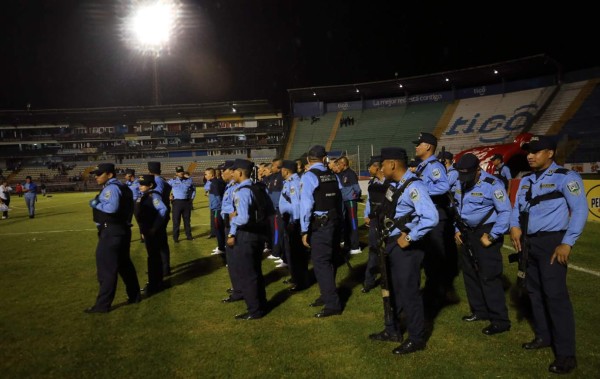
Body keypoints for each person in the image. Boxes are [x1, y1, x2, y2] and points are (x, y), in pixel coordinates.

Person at [509, 135, 587, 375]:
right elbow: (517, 209)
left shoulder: (566, 178)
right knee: (534, 292)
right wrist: (514, 226)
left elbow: (580, 210)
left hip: (553, 242)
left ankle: (566, 355)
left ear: (550, 153)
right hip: (529, 243)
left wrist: (567, 243)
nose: (530, 155)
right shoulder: (526, 180)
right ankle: (543, 336)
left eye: (536, 151)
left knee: (555, 297)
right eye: (528, 152)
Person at [368, 147, 438, 355]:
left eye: (383, 164)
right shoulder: (396, 184)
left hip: (406, 248)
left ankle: (416, 338)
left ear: (392, 164)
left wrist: (409, 237)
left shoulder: (414, 186)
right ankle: (392, 330)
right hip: (390, 243)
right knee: (392, 288)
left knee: (409, 292)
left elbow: (431, 217)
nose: (380, 168)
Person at [454, 153, 511, 335]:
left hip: (486, 231)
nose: (465, 179)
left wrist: (493, 236)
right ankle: (479, 311)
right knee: (470, 273)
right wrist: (456, 229)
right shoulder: (460, 182)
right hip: (466, 232)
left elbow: (505, 212)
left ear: (478, 169)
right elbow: (457, 207)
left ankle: (500, 320)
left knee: (489, 275)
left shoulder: (493, 185)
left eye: (468, 175)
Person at [85, 163, 141, 313]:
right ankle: (134, 295)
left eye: (99, 174)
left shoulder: (112, 188)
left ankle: (102, 305)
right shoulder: (123, 187)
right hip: (121, 230)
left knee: (107, 269)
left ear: (109, 175)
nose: (96, 177)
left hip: (111, 232)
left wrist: (95, 203)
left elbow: (111, 208)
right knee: (125, 265)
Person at [413, 132, 457, 312]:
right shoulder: (423, 166)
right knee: (429, 256)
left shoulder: (434, 165)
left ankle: (438, 294)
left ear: (428, 147)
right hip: (428, 214)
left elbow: (443, 185)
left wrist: (423, 190)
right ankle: (434, 290)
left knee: (435, 256)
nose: (416, 147)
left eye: (419, 144)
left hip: (436, 215)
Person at [300, 145, 343, 318]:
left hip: (320, 225)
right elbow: (339, 199)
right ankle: (327, 295)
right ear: (324, 158)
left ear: (309, 160)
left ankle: (332, 303)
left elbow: (306, 204)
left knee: (321, 263)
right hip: (334, 222)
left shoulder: (309, 176)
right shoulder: (332, 175)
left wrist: (304, 230)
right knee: (329, 261)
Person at [227, 159, 267, 319]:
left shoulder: (242, 191)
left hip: (246, 235)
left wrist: (232, 222)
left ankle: (254, 311)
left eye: (233, 171)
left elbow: (242, 218)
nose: (231, 173)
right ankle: (261, 304)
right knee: (256, 272)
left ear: (240, 172)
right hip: (258, 234)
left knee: (247, 274)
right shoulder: (258, 187)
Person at [135, 174, 168, 295]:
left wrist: (154, 227)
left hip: (152, 232)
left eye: (143, 184)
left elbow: (163, 210)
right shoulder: (144, 196)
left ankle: (155, 283)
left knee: (153, 257)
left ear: (151, 185)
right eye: (140, 184)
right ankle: (155, 281)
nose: (140, 186)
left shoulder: (153, 196)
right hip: (148, 231)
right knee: (153, 256)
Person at [279, 159, 308, 291]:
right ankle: (296, 277)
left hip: (293, 222)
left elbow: (296, 204)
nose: (280, 171)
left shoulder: (293, 183)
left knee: (296, 253)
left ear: (286, 170)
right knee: (292, 252)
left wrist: (294, 221)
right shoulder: (290, 182)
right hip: (290, 221)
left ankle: (300, 281)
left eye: (282, 169)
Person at [362, 155, 386, 293]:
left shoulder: (390, 183)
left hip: (388, 221)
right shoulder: (372, 183)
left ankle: (389, 279)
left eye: (370, 166)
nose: (368, 169)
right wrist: (366, 215)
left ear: (377, 167)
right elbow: (370, 201)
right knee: (373, 250)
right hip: (375, 221)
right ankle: (369, 281)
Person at [220, 160, 243, 302]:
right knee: (232, 259)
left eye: (224, 171)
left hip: (233, 226)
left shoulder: (237, 187)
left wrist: (231, 232)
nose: (222, 173)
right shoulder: (230, 186)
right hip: (229, 224)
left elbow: (236, 211)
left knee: (235, 260)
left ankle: (239, 290)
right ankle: (238, 287)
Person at [148, 161, 172, 276]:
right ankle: (163, 267)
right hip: (163, 211)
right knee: (161, 242)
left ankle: (163, 268)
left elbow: (157, 197)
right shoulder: (162, 180)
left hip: (159, 213)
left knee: (159, 242)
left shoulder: (156, 181)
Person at [336, 156, 362, 255]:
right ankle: (348, 243)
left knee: (353, 223)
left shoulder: (351, 173)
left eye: (339, 164)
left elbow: (357, 189)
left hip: (350, 201)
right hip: (344, 201)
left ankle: (356, 246)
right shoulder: (341, 174)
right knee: (346, 222)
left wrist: (355, 196)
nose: (338, 166)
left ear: (344, 164)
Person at [169, 165, 195, 243]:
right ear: (176, 173)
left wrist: (191, 198)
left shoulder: (189, 180)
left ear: (183, 172)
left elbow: (193, 190)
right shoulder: (172, 181)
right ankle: (176, 238)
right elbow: (166, 189)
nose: (180, 173)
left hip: (186, 202)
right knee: (176, 221)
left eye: (181, 171)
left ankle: (189, 236)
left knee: (187, 221)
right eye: (178, 172)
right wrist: (169, 195)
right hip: (176, 203)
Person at [205, 167, 226, 254]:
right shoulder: (218, 182)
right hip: (218, 208)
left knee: (218, 228)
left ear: (211, 174)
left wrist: (219, 208)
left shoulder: (214, 184)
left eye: (206, 174)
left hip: (217, 208)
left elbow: (218, 197)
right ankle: (221, 246)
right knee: (220, 228)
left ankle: (221, 248)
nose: (205, 176)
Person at [124, 168, 143, 242]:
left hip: (136, 203)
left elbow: (142, 194)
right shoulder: (127, 183)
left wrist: (138, 202)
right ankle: (126, 238)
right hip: (128, 204)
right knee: (127, 222)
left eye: (126, 175)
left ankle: (143, 237)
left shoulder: (138, 182)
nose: (125, 176)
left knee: (140, 221)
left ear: (130, 175)